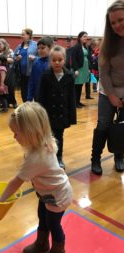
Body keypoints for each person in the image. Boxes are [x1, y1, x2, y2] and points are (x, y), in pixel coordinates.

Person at [0, 102, 73, 253]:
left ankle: (59, 252)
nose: (14, 137)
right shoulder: (43, 141)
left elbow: (16, 181)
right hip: (47, 193)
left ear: (31, 133)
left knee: (53, 223)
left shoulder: (36, 157)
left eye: (16, 133)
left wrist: (1, 199)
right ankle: (42, 243)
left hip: (57, 196)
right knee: (42, 217)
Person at [91, 0, 124, 175]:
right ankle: (95, 158)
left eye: (121, 20)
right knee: (103, 125)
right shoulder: (107, 43)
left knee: (122, 125)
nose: (117, 25)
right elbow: (104, 74)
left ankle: (119, 156)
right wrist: (111, 96)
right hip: (108, 91)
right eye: (113, 22)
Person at [37, 46, 76, 169]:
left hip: (61, 114)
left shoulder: (69, 76)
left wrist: (71, 117)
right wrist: (40, 114)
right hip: (48, 114)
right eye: (54, 60)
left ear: (64, 60)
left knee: (59, 137)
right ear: (50, 61)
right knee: (47, 137)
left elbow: (71, 98)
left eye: (60, 60)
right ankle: (46, 157)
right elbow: (40, 96)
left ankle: (58, 157)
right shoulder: (46, 75)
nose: (57, 62)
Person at [0, 38, 17, 108]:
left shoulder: (9, 51)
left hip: (9, 71)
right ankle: (6, 103)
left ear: (4, 44)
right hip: (1, 72)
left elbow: (11, 60)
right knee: (3, 88)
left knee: (10, 88)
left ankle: (13, 102)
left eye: (0, 44)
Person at [13, 28, 38, 102]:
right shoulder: (19, 46)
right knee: (24, 93)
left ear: (29, 35)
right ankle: (26, 109)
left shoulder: (35, 45)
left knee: (34, 92)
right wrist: (16, 58)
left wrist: (35, 58)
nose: (21, 36)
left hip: (32, 73)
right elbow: (13, 56)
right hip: (21, 74)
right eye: (21, 35)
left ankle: (35, 109)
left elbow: (41, 57)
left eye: (23, 34)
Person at [27, 36, 54, 101]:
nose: (40, 50)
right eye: (38, 48)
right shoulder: (36, 63)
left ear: (50, 48)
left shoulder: (53, 63)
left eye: (42, 48)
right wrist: (29, 98)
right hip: (38, 96)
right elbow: (32, 82)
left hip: (52, 97)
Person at [70, 31, 91, 108]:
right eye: (84, 36)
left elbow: (88, 58)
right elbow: (73, 59)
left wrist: (89, 68)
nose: (86, 38)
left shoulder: (85, 47)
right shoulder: (76, 47)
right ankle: (75, 103)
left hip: (85, 69)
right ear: (79, 38)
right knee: (76, 87)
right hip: (79, 69)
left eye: (86, 36)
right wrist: (75, 69)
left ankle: (78, 101)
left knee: (81, 86)